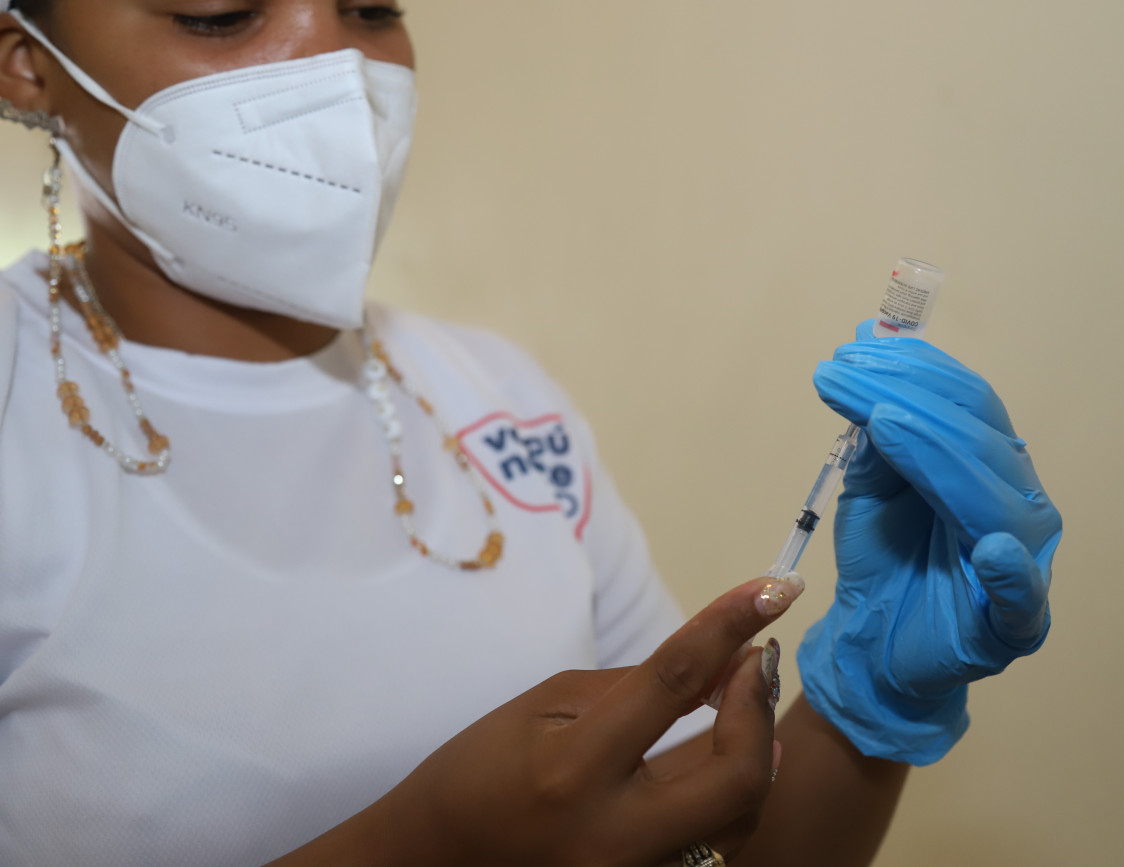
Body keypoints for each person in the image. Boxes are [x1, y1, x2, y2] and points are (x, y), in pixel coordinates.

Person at [0, 2, 1063, 865]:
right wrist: (418, 851)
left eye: (371, 7)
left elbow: (704, 839)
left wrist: (864, 709)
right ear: (26, 63)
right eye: (221, 13)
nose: (336, 70)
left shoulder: (499, 397)